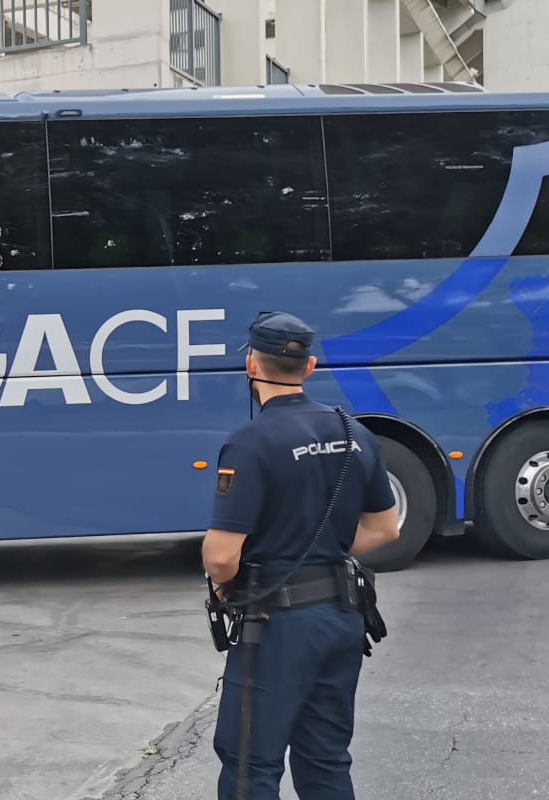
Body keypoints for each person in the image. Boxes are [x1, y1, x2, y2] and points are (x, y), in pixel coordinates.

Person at [201, 311, 401, 800]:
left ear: (250, 364)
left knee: (250, 762)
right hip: (342, 619)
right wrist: (320, 550)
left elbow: (221, 558)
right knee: (326, 760)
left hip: (278, 626)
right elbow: (385, 527)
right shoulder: (353, 431)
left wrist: (240, 576)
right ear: (309, 366)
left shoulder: (250, 442)